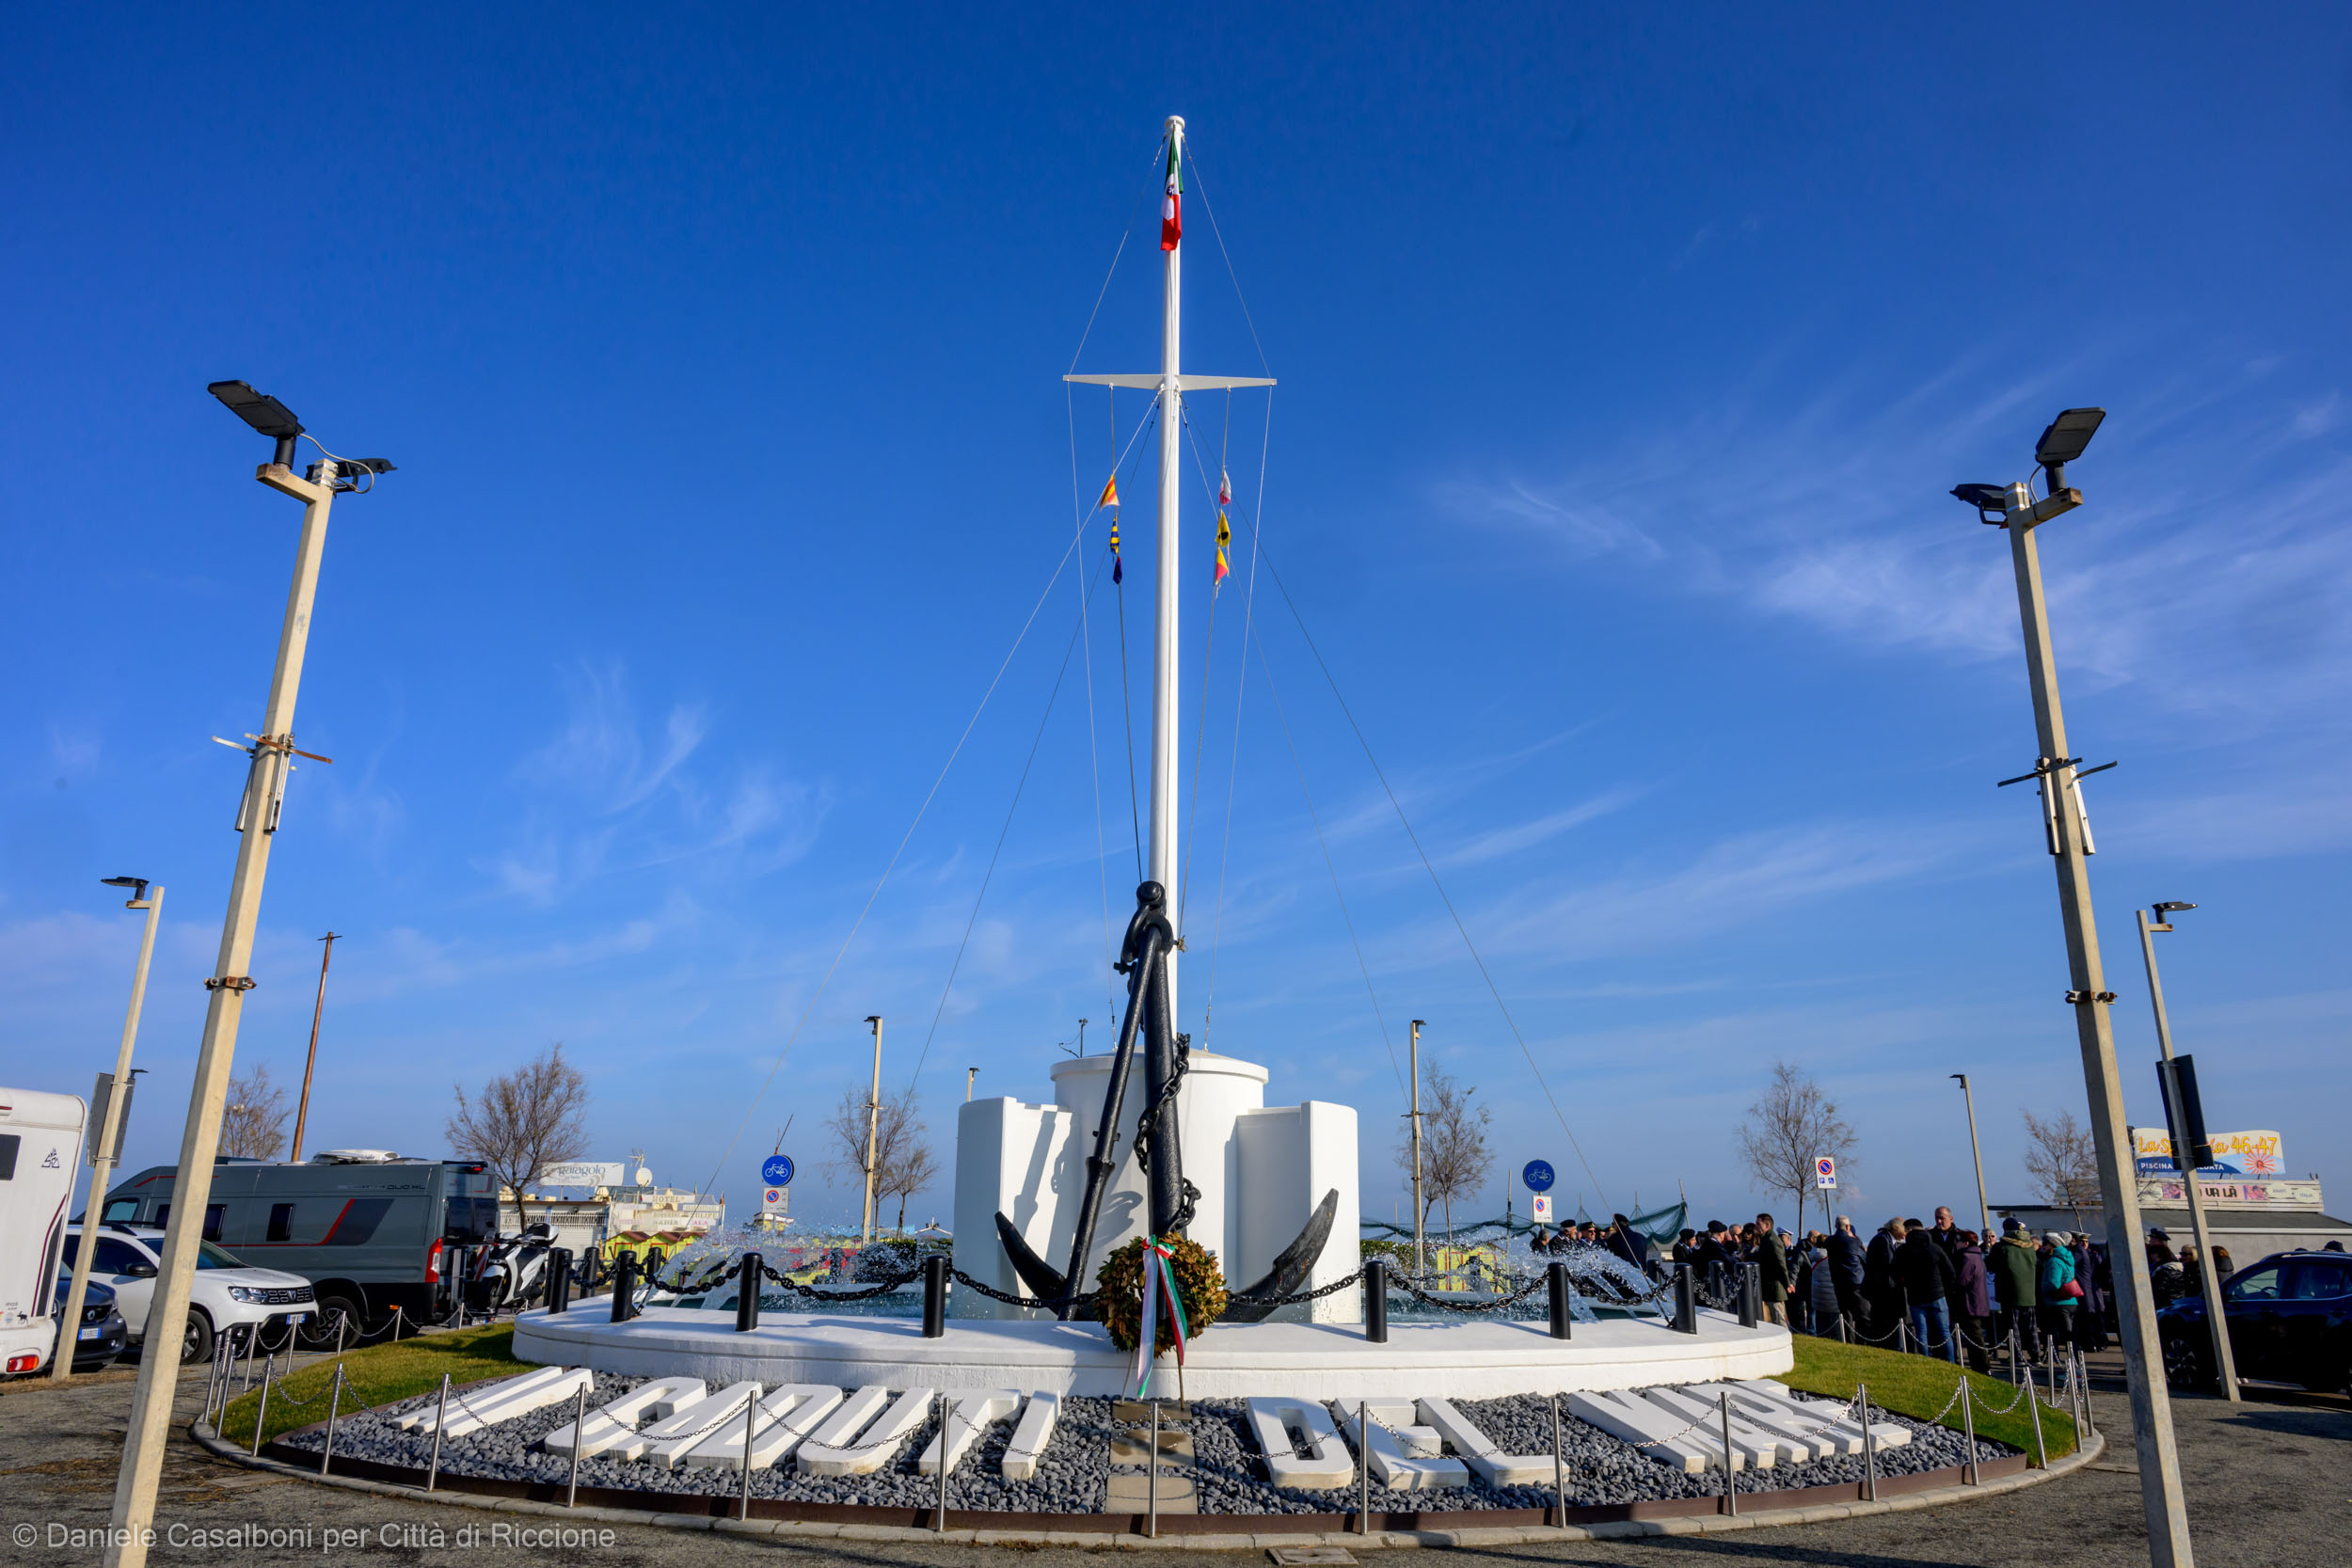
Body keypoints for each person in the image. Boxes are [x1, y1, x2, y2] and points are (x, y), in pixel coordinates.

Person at [1896, 1219, 1960, 1361]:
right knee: (1944, 1332)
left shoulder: (1903, 1250)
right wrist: (1944, 1289)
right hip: (1937, 1293)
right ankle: (1951, 1362)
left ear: (1909, 1231)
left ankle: (1925, 1361)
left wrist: (1906, 1283)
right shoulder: (1935, 1248)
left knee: (1921, 1332)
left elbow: (1895, 1273)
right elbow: (1950, 1272)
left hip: (1915, 1296)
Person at [1989, 1218, 2041, 1362]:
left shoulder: (2001, 1247)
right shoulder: (2030, 1246)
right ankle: (2035, 1355)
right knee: (2031, 1326)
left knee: (2012, 1327)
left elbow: (1991, 1265)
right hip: (2029, 1292)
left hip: (2009, 1292)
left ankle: (2017, 1356)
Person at [1954, 1228, 1993, 1372]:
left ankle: (1982, 1366)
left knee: (1975, 1336)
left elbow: (1962, 1281)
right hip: (1978, 1301)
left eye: (1958, 1242)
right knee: (1975, 1335)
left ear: (1966, 1243)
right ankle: (1981, 1365)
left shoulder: (1968, 1258)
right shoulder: (1978, 1256)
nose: (1956, 1244)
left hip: (1970, 1302)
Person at [1862, 1218, 1905, 1344]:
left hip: (1880, 1287)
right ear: (1896, 1228)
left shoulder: (1883, 1238)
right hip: (1882, 1289)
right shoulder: (1883, 1240)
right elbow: (1888, 1264)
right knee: (1883, 1322)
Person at [2038, 1229, 2079, 1354]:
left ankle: (2074, 1367)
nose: (2043, 1246)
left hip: (2059, 1303)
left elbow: (2053, 1283)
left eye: (2045, 1243)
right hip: (2071, 1300)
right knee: (2070, 1335)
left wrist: (2042, 1288)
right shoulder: (2067, 1256)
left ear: (2052, 1245)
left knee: (2066, 1337)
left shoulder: (2054, 1261)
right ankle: (2074, 1365)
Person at [1827, 1215, 1866, 1338]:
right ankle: (1863, 1339)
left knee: (1846, 1314)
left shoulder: (1830, 1241)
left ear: (1835, 1226)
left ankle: (1849, 1339)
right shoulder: (1853, 1241)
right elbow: (1864, 1258)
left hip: (1838, 1281)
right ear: (1848, 1227)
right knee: (1863, 1313)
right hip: (1855, 1281)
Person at [1753, 1212, 1791, 1325]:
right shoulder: (1765, 1240)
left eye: (1758, 1224)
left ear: (1767, 1225)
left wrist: (1787, 1283)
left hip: (1775, 1288)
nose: (1756, 1226)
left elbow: (1781, 1265)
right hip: (1768, 1287)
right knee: (1773, 1320)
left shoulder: (1773, 1242)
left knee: (1779, 1319)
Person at [1806, 1243, 1841, 1336]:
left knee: (1821, 1327)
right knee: (1835, 1329)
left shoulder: (1813, 1259)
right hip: (1832, 1299)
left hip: (1818, 1299)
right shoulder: (1832, 1259)